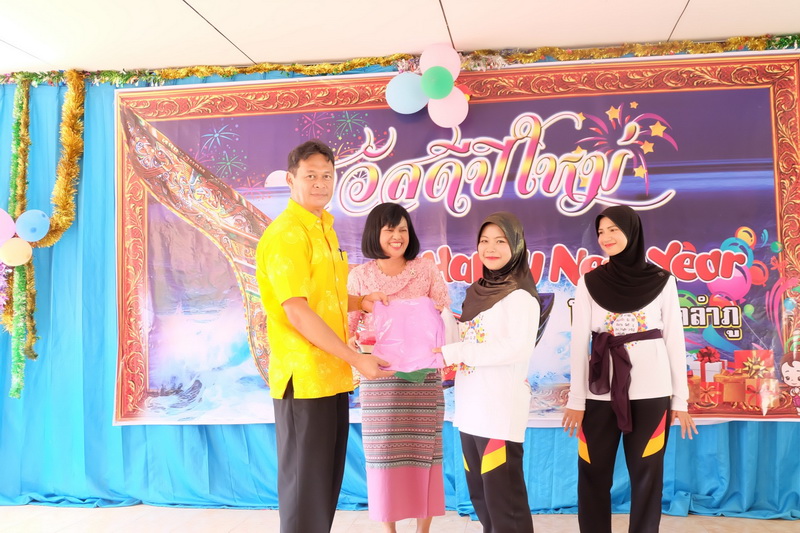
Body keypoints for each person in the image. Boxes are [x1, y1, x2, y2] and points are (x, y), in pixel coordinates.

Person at [255, 139, 394, 533]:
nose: (320, 183)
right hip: (305, 380)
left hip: (331, 376)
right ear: (290, 180)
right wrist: (357, 359)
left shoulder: (323, 228)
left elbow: (322, 296)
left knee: (322, 487)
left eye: (327, 176)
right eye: (310, 176)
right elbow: (297, 310)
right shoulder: (287, 235)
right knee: (305, 491)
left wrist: (360, 302)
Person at [561, 205, 698, 533]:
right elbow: (579, 344)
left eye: (613, 229)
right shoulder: (589, 282)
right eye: (600, 231)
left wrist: (679, 400)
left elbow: (674, 340)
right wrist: (577, 400)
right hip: (599, 394)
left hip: (652, 394)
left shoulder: (663, 281)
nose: (605, 237)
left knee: (647, 477)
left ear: (632, 232)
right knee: (592, 474)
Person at [347, 202, 450, 533]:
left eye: (403, 229)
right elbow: (348, 327)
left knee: (425, 450)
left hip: (423, 378)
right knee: (383, 453)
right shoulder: (360, 276)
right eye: (389, 229)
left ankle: (423, 530)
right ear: (374, 233)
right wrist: (356, 349)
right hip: (380, 377)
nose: (397, 236)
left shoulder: (426, 269)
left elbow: (445, 312)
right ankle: (389, 530)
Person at [437, 212, 541, 533]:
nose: (490, 248)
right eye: (484, 241)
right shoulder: (476, 292)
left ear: (517, 246)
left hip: (499, 411)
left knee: (504, 503)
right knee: (482, 500)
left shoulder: (521, 296)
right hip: (470, 409)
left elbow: (517, 348)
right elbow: (467, 342)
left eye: (500, 241)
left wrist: (456, 352)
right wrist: (442, 318)